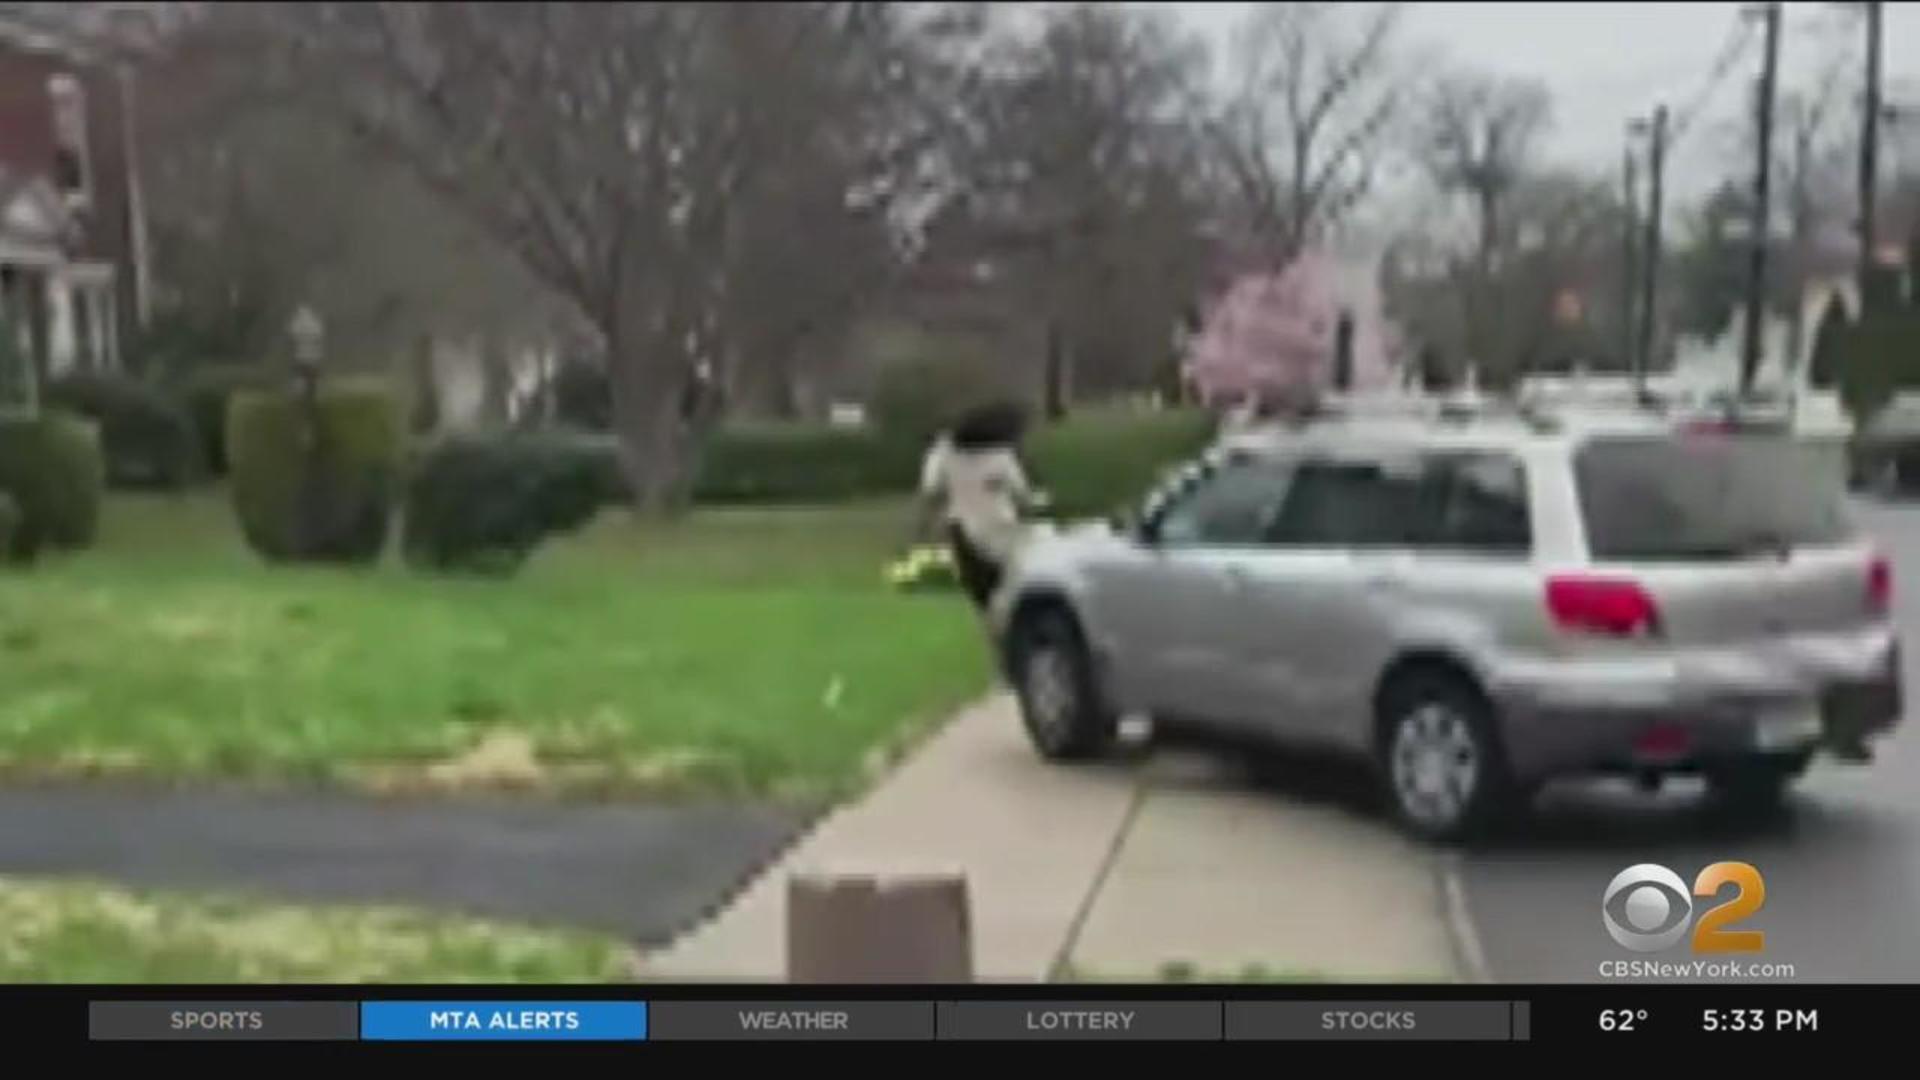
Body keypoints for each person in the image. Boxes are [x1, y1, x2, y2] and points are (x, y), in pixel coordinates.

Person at [917, 401, 1043, 611]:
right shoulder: (1002, 455)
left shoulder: (945, 453)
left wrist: (926, 524)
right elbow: (1021, 493)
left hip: (963, 530)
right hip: (1001, 527)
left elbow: (931, 490)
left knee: (978, 590)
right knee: (1005, 585)